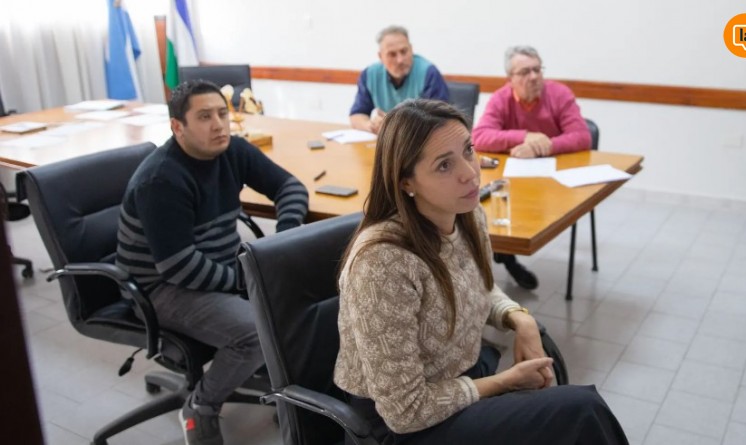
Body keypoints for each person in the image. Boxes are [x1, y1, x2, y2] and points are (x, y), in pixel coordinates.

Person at [334, 99, 627, 445]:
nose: (470, 172)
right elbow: (405, 412)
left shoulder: (467, 214)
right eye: (444, 165)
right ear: (406, 183)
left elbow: (477, 286)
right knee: (581, 410)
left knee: (573, 416)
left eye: (468, 150)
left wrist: (521, 319)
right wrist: (506, 382)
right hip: (402, 426)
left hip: (462, 382)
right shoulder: (382, 263)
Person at [115, 80, 308, 445]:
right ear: (178, 127)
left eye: (222, 113)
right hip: (160, 287)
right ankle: (200, 405)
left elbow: (291, 188)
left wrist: (284, 234)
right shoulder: (161, 180)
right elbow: (179, 267)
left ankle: (281, 383)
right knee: (254, 332)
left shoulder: (232, 150)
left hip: (216, 267)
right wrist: (248, 280)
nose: (219, 125)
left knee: (299, 297)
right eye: (204, 117)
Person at [473, 46, 592, 290]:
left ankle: (505, 257)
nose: (534, 77)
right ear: (511, 78)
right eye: (525, 72)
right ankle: (504, 257)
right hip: (513, 180)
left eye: (538, 69)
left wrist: (543, 147)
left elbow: (582, 136)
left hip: (553, 184)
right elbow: (480, 136)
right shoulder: (501, 98)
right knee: (488, 207)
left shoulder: (559, 94)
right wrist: (524, 136)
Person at [349, 25, 449, 134]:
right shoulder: (369, 75)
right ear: (381, 57)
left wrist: (392, 126)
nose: (400, 60)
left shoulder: (429, 73)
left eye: (404, 51)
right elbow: (356, 116)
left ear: (411, 49)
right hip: (388, 139)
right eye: (392, 54)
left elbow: (437, 121)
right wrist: (372, 125)